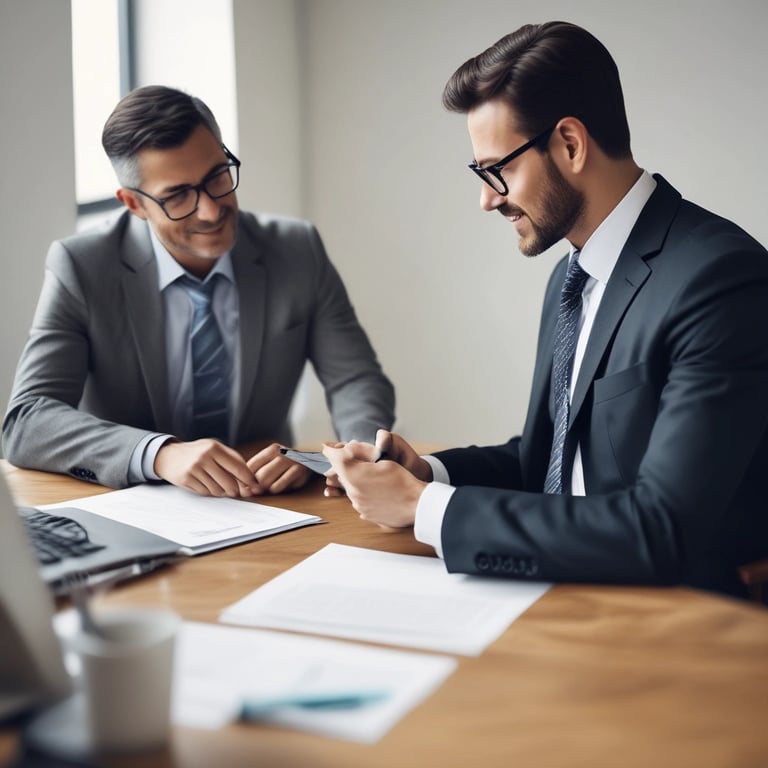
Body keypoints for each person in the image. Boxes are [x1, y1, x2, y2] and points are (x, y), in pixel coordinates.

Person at [323, 21, 768, 598]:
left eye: (496, 170)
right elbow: (553, 460)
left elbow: (662, 529)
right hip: (562, 590)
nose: (486, 199)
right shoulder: (571, 276)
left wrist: (427, 509)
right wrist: (429, 474)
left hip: (672, 623)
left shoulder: (719, 281)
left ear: (570, 144)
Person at [2, 85, 394, 498]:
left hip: (268, 498)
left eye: (217, 177)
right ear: (133, 204)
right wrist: (159, 454)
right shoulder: (82, 266)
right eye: (178, 196)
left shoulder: (297, 249)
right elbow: (27, 421)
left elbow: (357, 379)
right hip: (131, 504)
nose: (210, 210)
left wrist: (345, 456)